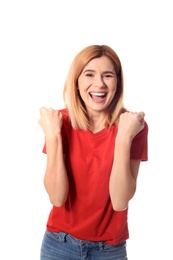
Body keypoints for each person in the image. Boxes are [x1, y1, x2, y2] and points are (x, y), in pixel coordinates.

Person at [38, 45, 148, 260]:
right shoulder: (59, 123)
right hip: (58, 244)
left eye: (108, 75)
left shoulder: (132, 126)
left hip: (109, 250)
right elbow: (57, 197)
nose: (99, 84)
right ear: (77, 82)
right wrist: (53, 136)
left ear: (118, 83)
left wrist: (124, 138)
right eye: (89, 74)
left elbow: (119, 200)